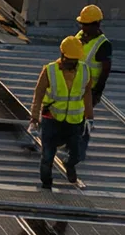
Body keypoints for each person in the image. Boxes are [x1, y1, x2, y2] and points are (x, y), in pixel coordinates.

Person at [30, 36, 94, 189]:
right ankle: (46, 184)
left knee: (77, 154)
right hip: (52, 119)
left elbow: (87, 94)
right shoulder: (50, 70)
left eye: (75, 60)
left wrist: (89, 117)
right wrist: (34, 117)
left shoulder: (85, 70)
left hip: (75, 122)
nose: (73, 63)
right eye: (70, 59)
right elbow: (38, 94)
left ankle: (69, 165)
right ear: (62, 55)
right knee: (47, 156)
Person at [74, 5, 113, 103]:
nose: (83, 27)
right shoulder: (79, 35)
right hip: (72, 85)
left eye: (86, 24)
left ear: (97, 24)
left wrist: (97, 92)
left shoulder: (103, 44)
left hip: (88, 90)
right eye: (82, 24)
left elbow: (105, 71)